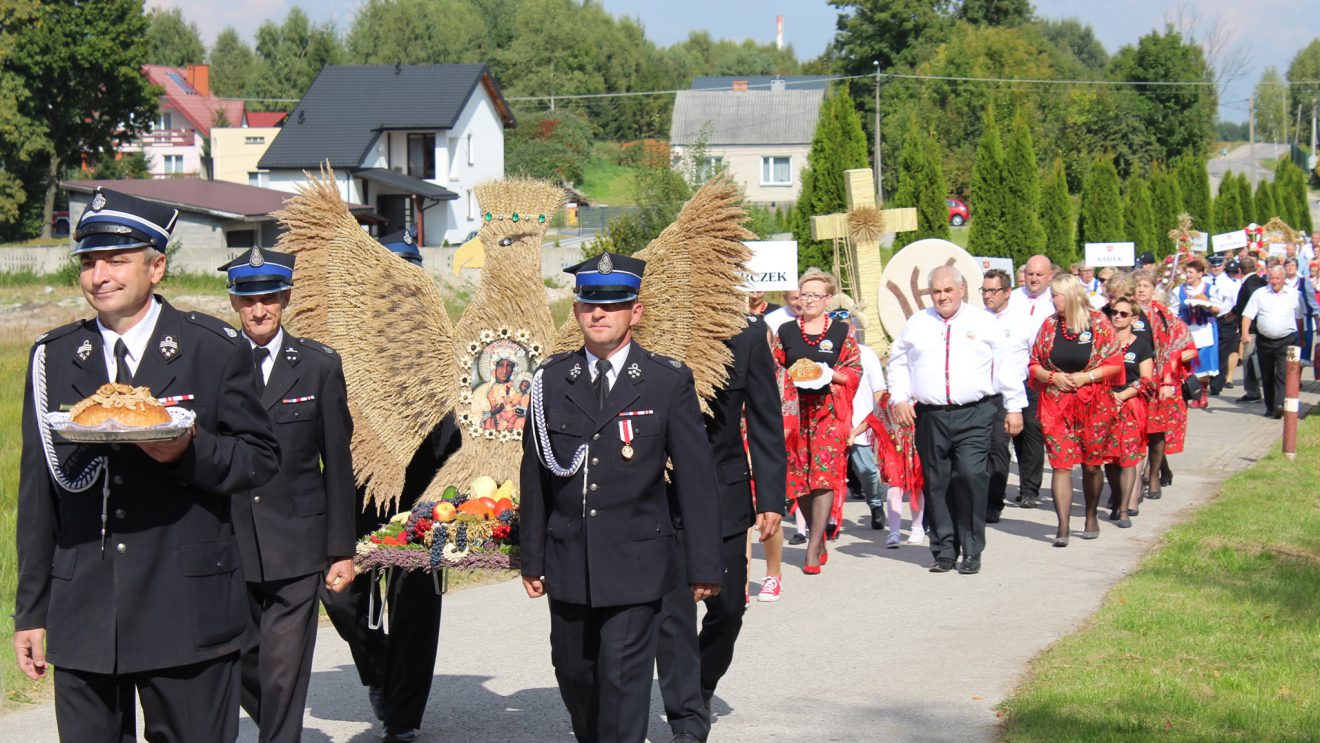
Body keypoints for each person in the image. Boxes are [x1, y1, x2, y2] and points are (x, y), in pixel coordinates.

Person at [15, 189, 281, 741]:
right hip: (85, 612)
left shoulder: (211, 346)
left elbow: (259, 458)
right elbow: (38, 495)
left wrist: (187, 452)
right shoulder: (55, 357)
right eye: (89, 262)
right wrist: (32, 612)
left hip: (186, 609)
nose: (99, 276)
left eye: (117, 260)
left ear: (157, 266)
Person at [520, 252, 723, 743]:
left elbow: (695, 479)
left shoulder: (665, 379)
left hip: (637, 559)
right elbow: (534, 474)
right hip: (569, 556)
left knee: (623, 681)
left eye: (614, 304)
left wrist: (705, 566)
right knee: (575, 674)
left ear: (636, 311)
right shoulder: (550, 380)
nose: (599, 314)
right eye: (590, 303)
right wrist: (531, 557)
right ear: (576, 311)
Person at [320, 238, 460, 743]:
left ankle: (403, 715)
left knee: (416, 604)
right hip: (357, 488)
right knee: (337, 594)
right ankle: (378, 663)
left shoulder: (442, 345)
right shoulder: (345, 345)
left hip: (426, 489)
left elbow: (460, 424)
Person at [215, 246, 357, 743]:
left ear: (287, 297)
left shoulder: (318, 365)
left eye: (270, 297)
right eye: (248, 298)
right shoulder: (213, 364)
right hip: (229, 541)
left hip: (298, 542)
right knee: (237, 660)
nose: (259, 310)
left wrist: (342, 549)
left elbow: (337, 462)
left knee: (284, 667)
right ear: (233, 301)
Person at [656, 311, 786, 742]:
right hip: (664, 494)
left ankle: (701, 685)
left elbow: (765, 418)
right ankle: (687, 718)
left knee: (729, 609)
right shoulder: (658, 326)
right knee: (673, 612)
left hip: (723, 492)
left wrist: (770, 497)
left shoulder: (746, 334)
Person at [888, 266, 1026, 574]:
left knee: (970, 475)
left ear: (961, 291)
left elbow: (1006, 366)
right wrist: (899, 396)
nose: (942, 297)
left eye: (948, 290)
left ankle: (972, 548)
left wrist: (1015, 406)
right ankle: (944, 549)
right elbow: (898, 362)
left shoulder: (982, 322)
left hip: (975, 412)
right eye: (937, 291)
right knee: (937, 482)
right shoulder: (917, 324)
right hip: (931, 414)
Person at [771, 270, 861, 573]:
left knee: (823, 474)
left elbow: (854, 370)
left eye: (814, 295)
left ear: (827, 299)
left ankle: (812, 547)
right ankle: (818, 533)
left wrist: (830, 374)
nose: (807, 300)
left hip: (827, 411)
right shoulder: (785, 330)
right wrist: (788, 377)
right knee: (798, 476)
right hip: (795, 410)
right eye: (804, 294)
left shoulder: (840, 331)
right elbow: (774, 367)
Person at [1028, 274, 1123, 547]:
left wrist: (1088, 377)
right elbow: (1034, 363)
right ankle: (1063, 527)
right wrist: (1050, 376)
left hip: (1093, 404)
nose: (1051, 299)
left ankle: (1091, 515)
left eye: (1055, 295)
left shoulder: (1099, 323)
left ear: (1069, 296)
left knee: (1092, 465)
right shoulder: (1049, 326)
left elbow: (1116, 363)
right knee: (1060, 465)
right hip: (1057, 405)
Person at [1131, 270, 1196, 501]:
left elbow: (1187, 346)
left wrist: (1172, 361)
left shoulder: (1164, 316)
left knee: (1156, 429)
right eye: (1137, 285)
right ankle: (1131, 482)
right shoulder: (1123, 312)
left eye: (1145, 285)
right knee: (1133, 430)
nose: (1140, 290)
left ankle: (1155, 474)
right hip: (1131, 377)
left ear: (1153, 288)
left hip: (1160, 379)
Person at [981, 268, 1032, 522]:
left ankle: (993, 501)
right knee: (977, 449)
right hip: (981, 394)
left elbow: (1035, 356)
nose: (988, 296)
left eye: (993, 290)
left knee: (998, 447)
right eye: (984, 290)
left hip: (1008, 393)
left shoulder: (1023, 321)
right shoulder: (977, 320)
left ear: (1007, 292)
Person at [1003, 254, 1053, 509]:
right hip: (1011, 374)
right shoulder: (1014, 298)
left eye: (1039, 275)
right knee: (1010, 433)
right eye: (1030, 274)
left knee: (1032, 431)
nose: (1034, 279)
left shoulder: (1054, 301)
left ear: (1049, 276)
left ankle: (1030, 489)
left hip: (1038, 377)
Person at [1101, 294, 1154, 529]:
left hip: (1130, 405)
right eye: (1115, 313)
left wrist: (1123, 395)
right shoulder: (1103, 343)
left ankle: (1124, 508)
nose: (1118, 317)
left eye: (1124, 314)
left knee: (1128, 458)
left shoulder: (1141, 346)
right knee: (1109, 460)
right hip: (1105, 404)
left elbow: (1147, 381)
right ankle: (1115, 497)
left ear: (1134, 318)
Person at [1240, 265, 1303, 418]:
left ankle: (1279, 404)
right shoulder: (1260, 294)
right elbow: (1247, 315)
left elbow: (1299, 318)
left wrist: (1301, 338)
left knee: (1282, 373)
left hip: (1286, 340)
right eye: (1271, 278)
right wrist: (1245, 334)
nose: (1274, 282)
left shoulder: (1294, 295)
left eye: (1277, 278)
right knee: (1267, 374)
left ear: (1283, 279)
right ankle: (1270, 406)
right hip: (1265, 341)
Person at [1171, 257, 1229, 409]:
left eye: (1191, 272)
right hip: (1188, 331)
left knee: (1204, 363)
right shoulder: (1179, 290)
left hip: (1204, 330)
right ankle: (1192, 392)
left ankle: (1202, 394)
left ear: (1200, 274)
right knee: (1188, 364)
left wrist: (1207, 305)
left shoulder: (1210, 289)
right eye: (1187, 272)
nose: (1188, 275)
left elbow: (1218, 309)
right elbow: (1174, 310)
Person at [846, 321, 887, 530]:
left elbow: (879, 390)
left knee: (867, 471)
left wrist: (877, 422)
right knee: (831, 474)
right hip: (833, 424)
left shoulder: (865, 354)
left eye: (845, 327)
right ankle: (830, 518)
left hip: (861, 424)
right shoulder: (825, 352)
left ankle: (876, 504)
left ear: (853, 330)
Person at [1232, 256, 1269, 404]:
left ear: (1240, 270)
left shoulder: (1249, 285)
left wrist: (1243, 329)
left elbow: (1248, 307)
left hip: (1252, 330)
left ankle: (1253, 392)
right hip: (1262, 328)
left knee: (1249, 360)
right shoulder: (1261, 282)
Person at [1208, 255, 1242, 395]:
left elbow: (1236, 303)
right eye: (1213, 266)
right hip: (1207, 319)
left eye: (1218, 266)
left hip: (1225, 319)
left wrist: (1236, 320)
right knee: (1209, 350)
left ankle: (1217, 383)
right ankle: (1208, 378)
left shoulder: (1231, 283)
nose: (1216, 268)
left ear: (1223, 266)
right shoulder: (1204, 280)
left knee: (1222, 352)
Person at [1283, 256, 1320, 359]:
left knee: (1300, 360)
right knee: (1291, 358)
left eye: (1292, 265)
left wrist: (1318, 323)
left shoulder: (1304, 282)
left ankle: (1296, 374)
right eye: (1287, 265)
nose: (1290, 268)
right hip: (1286, 325)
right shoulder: (1281, 283)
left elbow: (1313, 305)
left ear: (1297, 267)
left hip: (1303, 324)